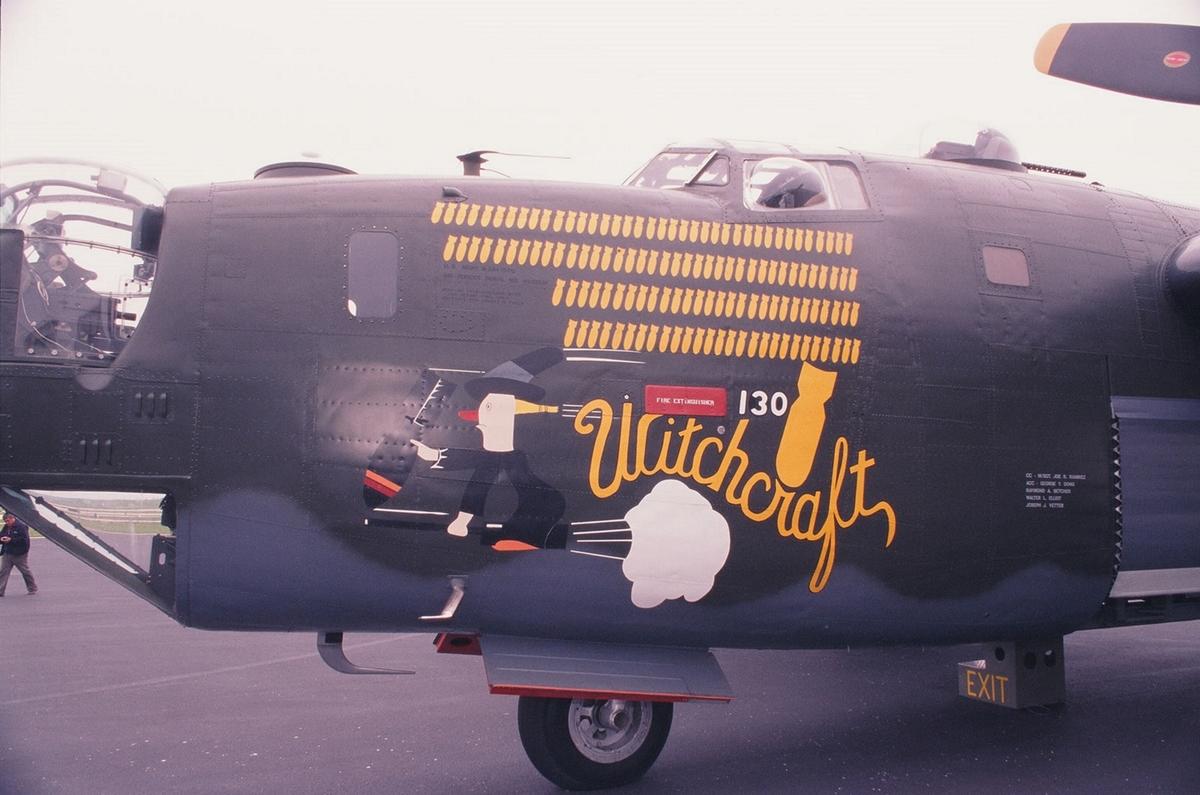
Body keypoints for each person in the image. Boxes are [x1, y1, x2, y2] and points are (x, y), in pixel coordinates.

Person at [0, 511, 38, 596]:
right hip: (7, 553)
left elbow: (24, 540)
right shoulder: (6, 527)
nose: (7, 523)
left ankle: (32, 588)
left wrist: (11, 540)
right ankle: (0, 591)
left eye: (8, 521)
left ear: (12, 518)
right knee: (3, 572)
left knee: (25, 571)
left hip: (19, 554)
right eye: (5, 521)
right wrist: (2, 539)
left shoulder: (21, 527)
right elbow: (1, 535)